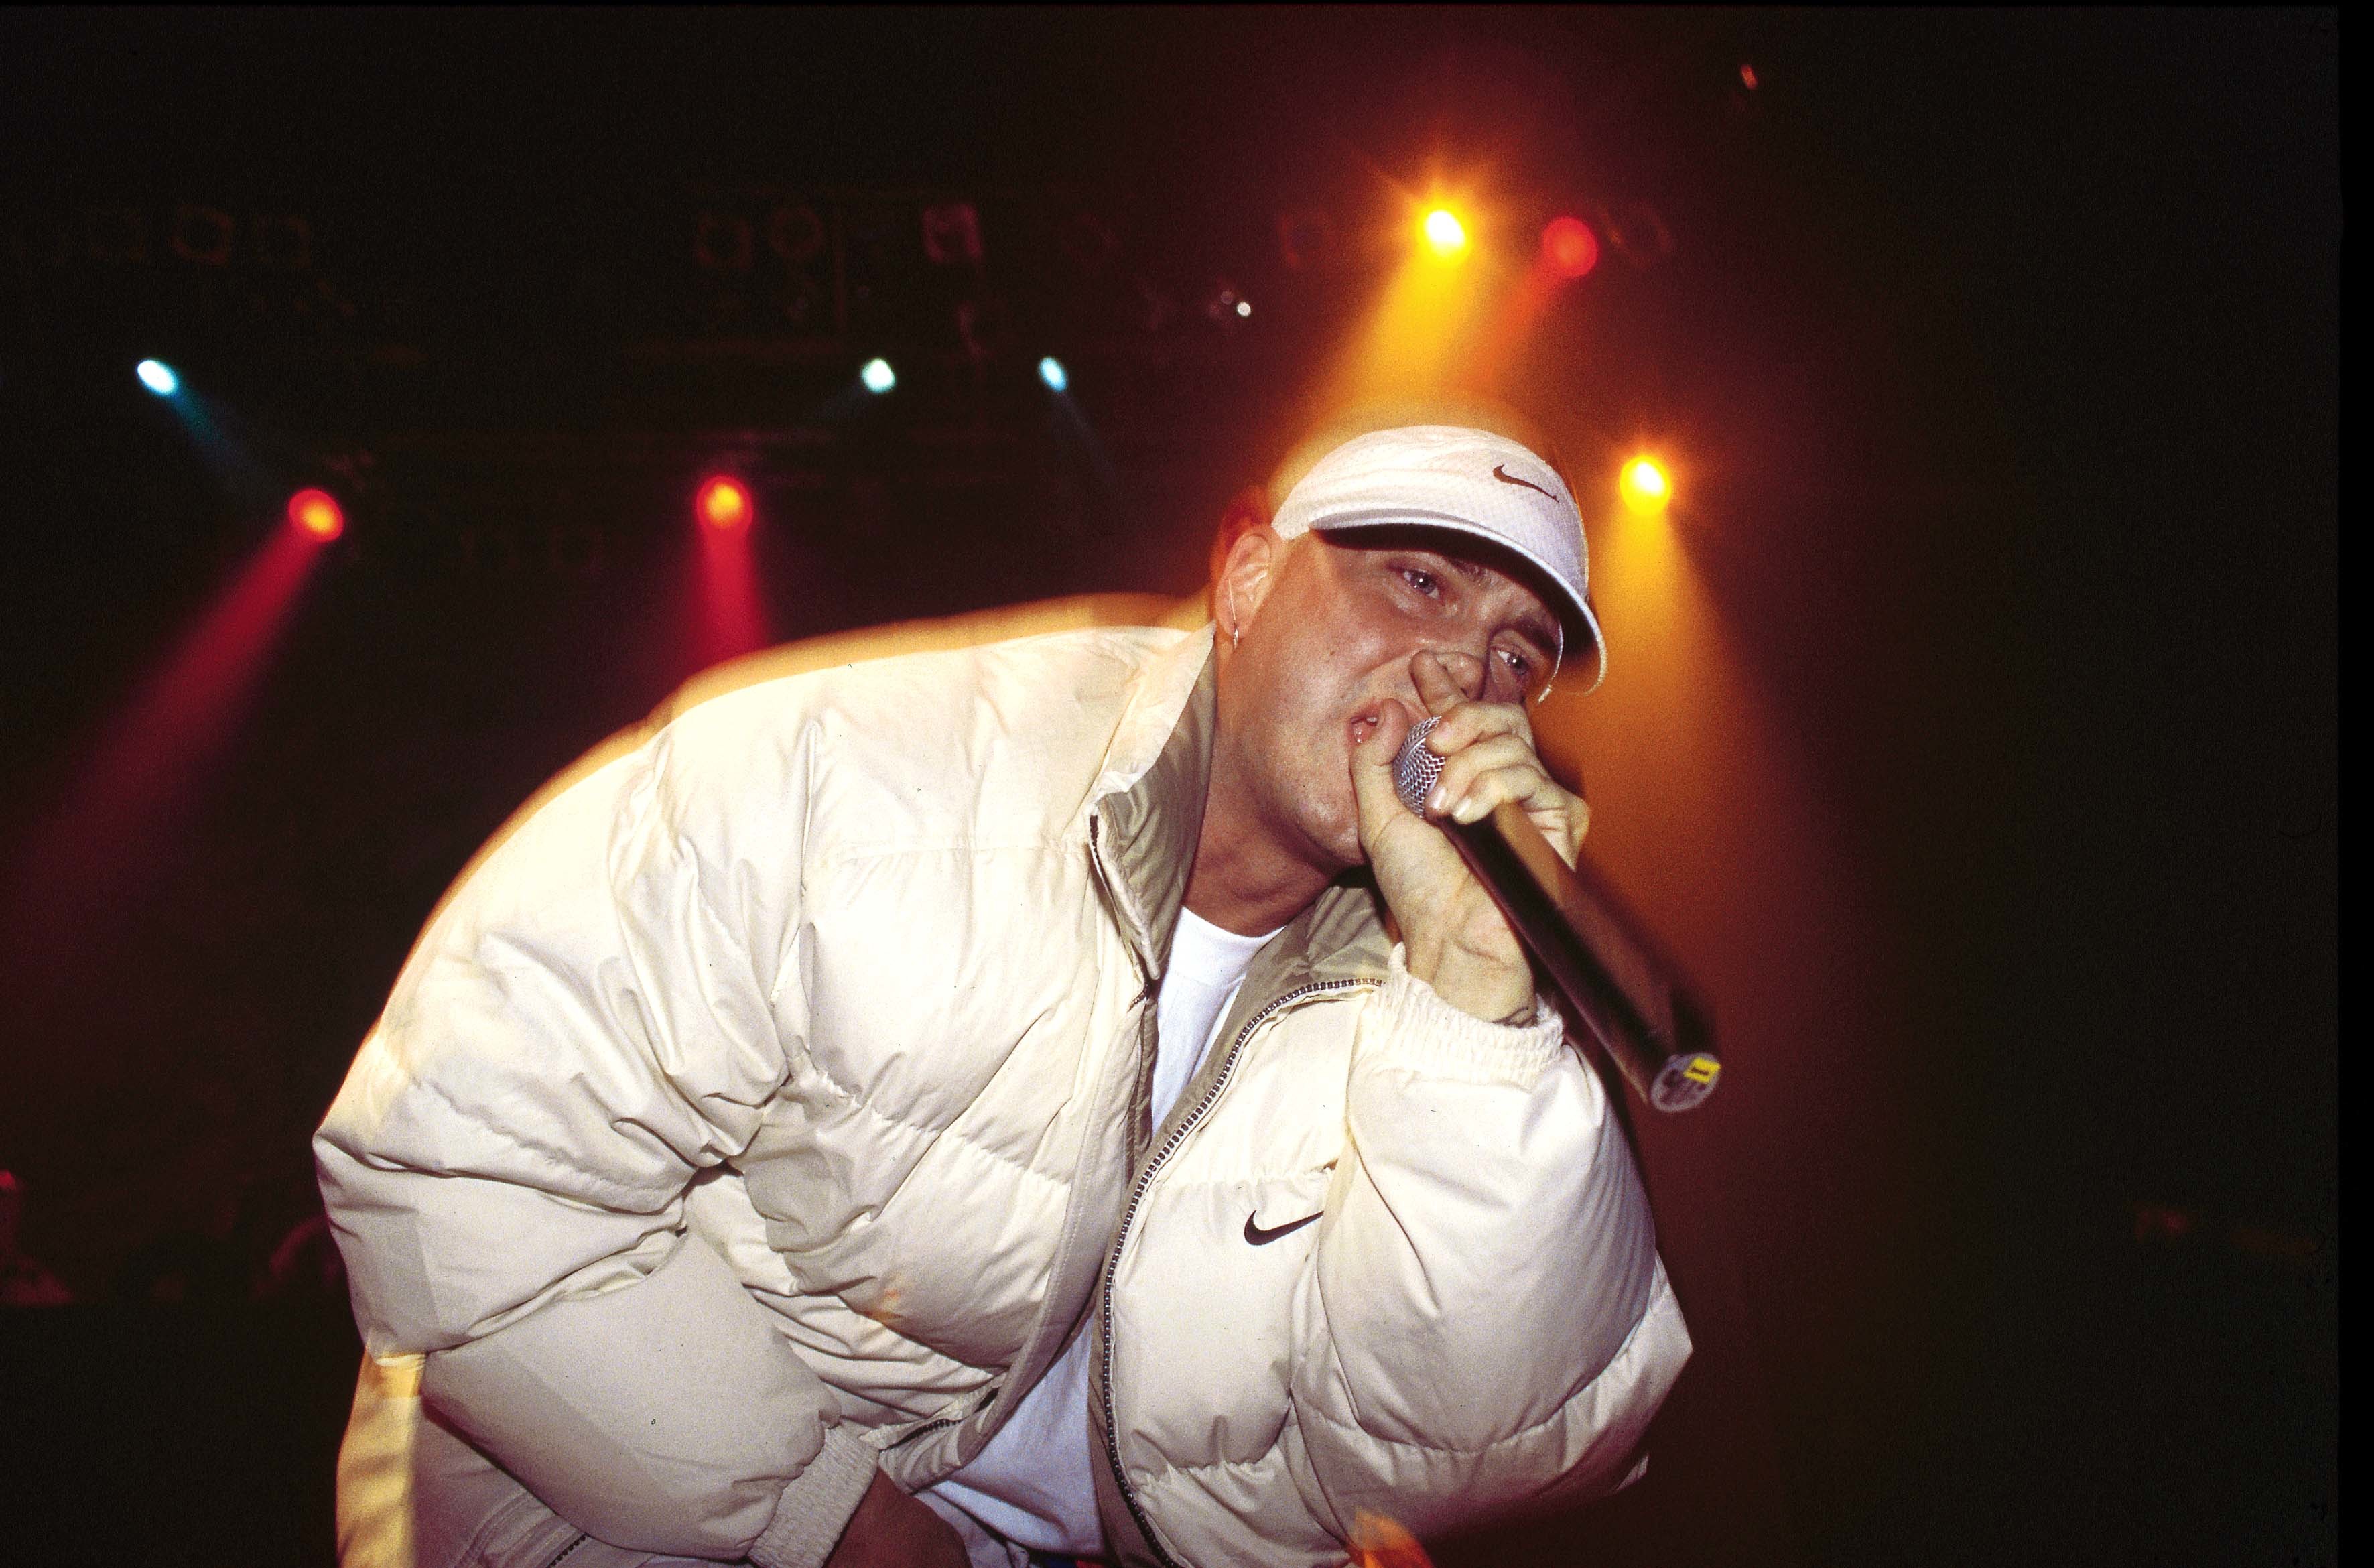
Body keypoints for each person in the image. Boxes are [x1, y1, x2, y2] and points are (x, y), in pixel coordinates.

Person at [316, 417, 1691, 1568]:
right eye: (1416, 583)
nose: (1462, 671)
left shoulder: (1457, 976)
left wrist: (1468, 1015)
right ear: (1249, 574)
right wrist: (835, 1522)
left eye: (1519, 654)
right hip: (630, 1520)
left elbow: (1472, 1453)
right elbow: (457, 1161)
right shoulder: (853, 781)